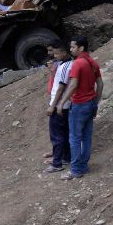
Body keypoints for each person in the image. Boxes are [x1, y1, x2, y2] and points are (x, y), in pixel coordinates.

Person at [56, 36, 103, 180]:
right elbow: (100, 85)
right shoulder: (92, 62)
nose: (70, 50)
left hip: (79, 104)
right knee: (86, 136)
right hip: (90, 103)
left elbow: (73, 85)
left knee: (75, 138)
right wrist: (95, 102)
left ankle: (76, 170)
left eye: (73, 47)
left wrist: (61, 102)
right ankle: (83, 166)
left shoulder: (77, 63)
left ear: (81, 48)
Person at [44, 40, 72, 173]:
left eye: (56, 53)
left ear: (64, 52)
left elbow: (61, 88)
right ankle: (66, 157)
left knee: (56, 135)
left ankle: (57, 163)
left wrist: (53, 106)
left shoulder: (66, 66)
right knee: (64, 133)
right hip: (62, 105)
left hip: (60, 106)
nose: (54, 56)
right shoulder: (63, 64)